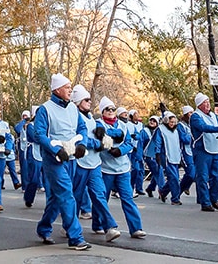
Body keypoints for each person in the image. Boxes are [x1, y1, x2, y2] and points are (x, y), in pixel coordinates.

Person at [30, 74, 90, 250]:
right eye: (67, 87)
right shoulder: (45, 109)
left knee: (57, 198)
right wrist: (56, 150)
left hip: (71, 158)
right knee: (66, 195)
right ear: (57, 90)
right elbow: (39, 134)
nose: (70, 90)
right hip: (54, 160)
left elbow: (82, 128)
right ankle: (75, 237)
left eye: (70, 87)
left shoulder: (73, 108)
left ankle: (43, 228)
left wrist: (82, 144)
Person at [69, 86, 122, 242]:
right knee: (76, 197)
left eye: (89, 99)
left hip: (95, 163)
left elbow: (103, 132)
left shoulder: (91, 117)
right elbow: (80, 138)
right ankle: (70, 225)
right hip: (80, 162)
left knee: (99, 195)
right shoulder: (74, 117)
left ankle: (109, 227)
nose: (89, 102)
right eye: (86, 100)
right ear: (78, 102)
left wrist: (104, 137)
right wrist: (96, 144)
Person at [97, 97, 144, 238]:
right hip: (106, 168)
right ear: (102, 112)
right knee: (102, 199)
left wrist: (120, 150)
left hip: (123, 168)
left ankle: (136, 228)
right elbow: (100, 136)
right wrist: (113, 138)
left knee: (127, 198)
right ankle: (98, 224)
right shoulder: (98, 124)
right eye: (107, 109)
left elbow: (129, 142)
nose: (111, 111)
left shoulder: (124, 125)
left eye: (113, 109)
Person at [189, 93, 218, 213]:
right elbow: (203, 127)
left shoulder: (213, 115)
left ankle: (214, 198)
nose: (207, 104)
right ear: (199, 105)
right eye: (204, 102)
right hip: (202, 150)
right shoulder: (195, 116)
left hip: (215, 149)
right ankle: (205, 202)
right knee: (202, 177)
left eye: (208, 102)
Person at [148, 111, 183, 205]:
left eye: (174, 122)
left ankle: (163, 192)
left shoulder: (176, 130)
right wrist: (158, 154)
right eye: (171, 122)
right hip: (165, 155)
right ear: (167, 121)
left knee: (174, 177)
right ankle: (175, 199)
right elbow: (158, 142)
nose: (172, 124)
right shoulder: (161, 129)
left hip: (175, 155)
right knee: (174, 178)